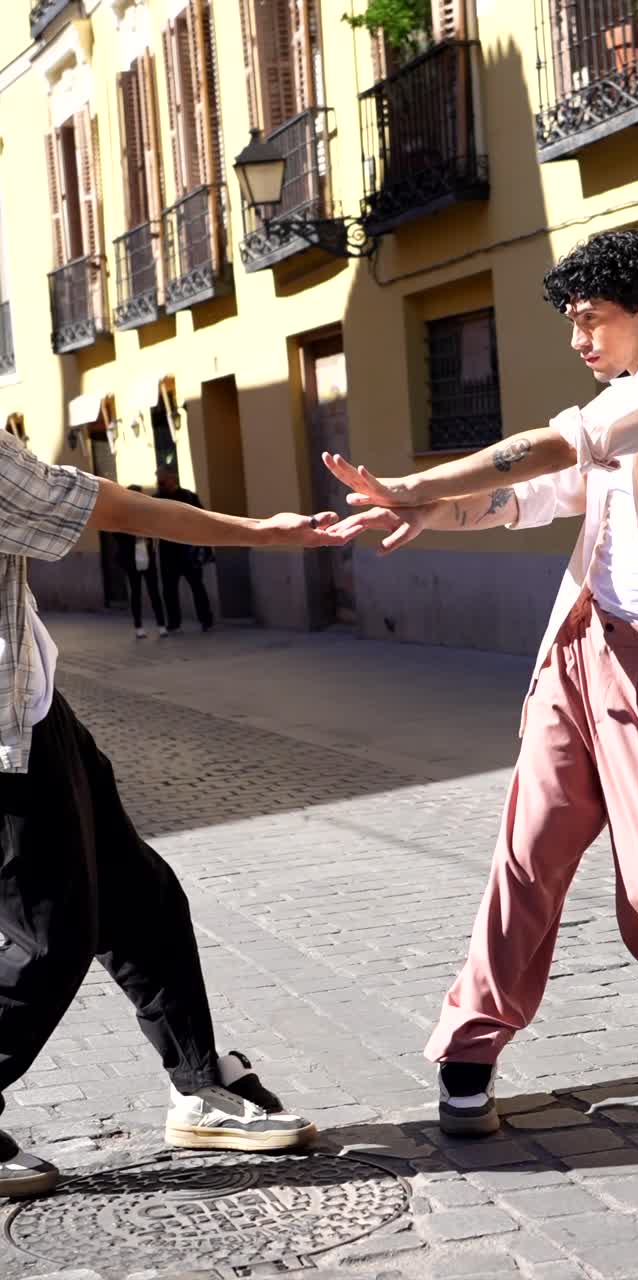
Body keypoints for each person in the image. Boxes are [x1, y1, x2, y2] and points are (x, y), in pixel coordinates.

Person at [325, 229, 638, 1136]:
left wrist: (412, 482)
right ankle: (469, 1046)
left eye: (593, 321)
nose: (579, 340)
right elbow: (532, 498)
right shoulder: (626, 396)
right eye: (572, 323)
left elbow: (553, 449)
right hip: (580, 652)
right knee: (528, 857)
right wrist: (428, 510)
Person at [0, 448, 351, 1198]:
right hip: (4, 738)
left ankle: (197, 1086)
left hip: (33, 703)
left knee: (141, 899)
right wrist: (262, 533)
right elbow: (116, 508)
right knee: (49, 942)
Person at [155, 468, 214, 633]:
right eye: (158, 479)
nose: (159, 482)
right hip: (167, 551)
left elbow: (202, 519)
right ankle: (174, 623)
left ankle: (206, 620)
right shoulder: (156, 499)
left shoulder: (188, 497)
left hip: (188, 550)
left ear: (173, 478)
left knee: (197, 587)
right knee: (169, 590)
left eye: (162, 479)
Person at [113, 486, 167, 639]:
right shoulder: (122, 514)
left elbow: (155, 528)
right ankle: (138, 627)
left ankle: (161, 625)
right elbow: (116, 534)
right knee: (135, 593)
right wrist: (133, 535)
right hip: (131, 557)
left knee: (154, 592)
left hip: (147, 555)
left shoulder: (146, 513)